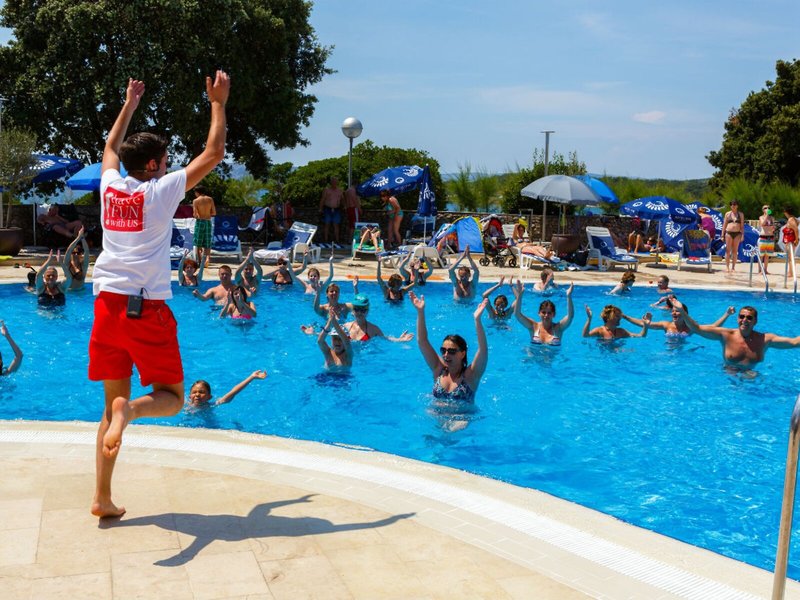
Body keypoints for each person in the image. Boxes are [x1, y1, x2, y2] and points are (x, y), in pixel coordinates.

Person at [88, 71, 229, 518]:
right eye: (165, 161)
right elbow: (214, 153)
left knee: (107, 409)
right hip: (144, 308)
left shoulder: (110, 187)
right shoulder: (160, 191)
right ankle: (129, 413)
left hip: (106, 306)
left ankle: (102, 497)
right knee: (170, 396)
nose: (169, 166)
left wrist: (129, 105)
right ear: (152, 166)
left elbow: (111, 148)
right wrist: (217, 102)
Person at [409, 291, 488, 432]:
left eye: (451, 351)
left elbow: (483, 351)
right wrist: (420, 312)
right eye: (443, 350)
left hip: (462, 420)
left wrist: (477, 320)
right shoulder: (438, 369)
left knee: (452, 431)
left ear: (462, 354)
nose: (446, 354)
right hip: (438, 416)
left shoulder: (470, 376)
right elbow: (422, 341)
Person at [671, 299, 800, 368]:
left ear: (755, 321)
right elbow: (697, 328)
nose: (744, 320)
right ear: (737, 319)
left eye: (749, 318)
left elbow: (794, 342)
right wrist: (682, 311)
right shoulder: (726, 335)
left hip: (752, 378)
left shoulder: (765, 339)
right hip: (729, 377)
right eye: (741, 316)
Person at [623, 302, 735, 338]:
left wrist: (727, 314)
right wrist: (625, 317)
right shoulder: (666, 325)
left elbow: (714, 327)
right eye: (673, 311)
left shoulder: (691, 328)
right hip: (667, 354)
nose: (673, 313)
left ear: (684, 314)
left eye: (677, 311)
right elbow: (643, 324)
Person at [513, 280, 574, 345]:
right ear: (539, 313)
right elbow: (517, 314)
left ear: (554, 314)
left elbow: (570, 316)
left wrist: (569, 296)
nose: (546, 315)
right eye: (543, 312)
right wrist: (519, 296)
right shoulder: (534, 326)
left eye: (549, 313)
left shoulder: (558, 328)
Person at [342, 294, 413, 342]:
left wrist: (399, 340)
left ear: (367, 311)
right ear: (352, 310)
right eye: (357, 309)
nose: (359, 313)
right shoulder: (346, 327)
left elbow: (385, 338)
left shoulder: (373, 329)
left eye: (363, 310)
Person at [188, 370, 267, 407]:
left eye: (201, 392)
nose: (197, 394)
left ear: (209, 397)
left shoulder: (211, 405)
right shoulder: (185, 405)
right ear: (189, 396)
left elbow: (233, 392)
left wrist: (251, 377)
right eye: (194, 392)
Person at [583, 304, 650, 339]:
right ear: (608, 318)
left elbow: (641, 336)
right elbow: (585, 335)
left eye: (620, 316)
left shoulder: (621, 331)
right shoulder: (599, 331)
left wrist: (646, 325)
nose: (620, 318)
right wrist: (589, 318)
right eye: (617, 316)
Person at [192, 185, 216, 268]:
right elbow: (214, 213)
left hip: (200, 222)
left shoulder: (196, 201)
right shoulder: (210, 199)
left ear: (197, 192)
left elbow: (195, 214)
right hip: (208, 222)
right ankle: (207, 259)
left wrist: (198, 214)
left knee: (198, 243)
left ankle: (200, 261)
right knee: (207, 242)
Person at [319, 176, 344, 245]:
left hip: (336, 209)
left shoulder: (340, 190)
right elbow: (322, 199)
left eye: (335, 182)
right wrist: (320, 208)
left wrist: (344, 207)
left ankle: (337, 240)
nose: (334, 183)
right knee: (327, 224)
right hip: (328, 209)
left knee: (336, 225)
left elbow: (342, 199)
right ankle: (326, 239)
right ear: (331, 182)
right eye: (333, 182)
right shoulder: (326, 190)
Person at [722, 200, 745, 273]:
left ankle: (733, 267)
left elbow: (742, 226)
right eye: (731, 204)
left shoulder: (740, 214)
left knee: (735, 251)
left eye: (734, 204)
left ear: (737, 206)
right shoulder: (727, 214)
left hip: (737, 233)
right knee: (728, 250)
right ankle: (727, 267)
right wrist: (722, 235)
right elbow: (724, 225)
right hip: (729, 233)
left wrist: (742, 235)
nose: (733, 206)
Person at [757, 204, 776, 274]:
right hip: (763, 237)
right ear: (763, 210)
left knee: (767, 255)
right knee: (761, 255)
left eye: (768, 208)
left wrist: (773, 228)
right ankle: (760, 270)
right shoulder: (761, 217)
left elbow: (773, 227)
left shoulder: (772, 218)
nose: (767, 209)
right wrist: (767, 215)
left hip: (770, 237)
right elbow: (762, 224)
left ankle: (765, 270)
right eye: (765, 208)